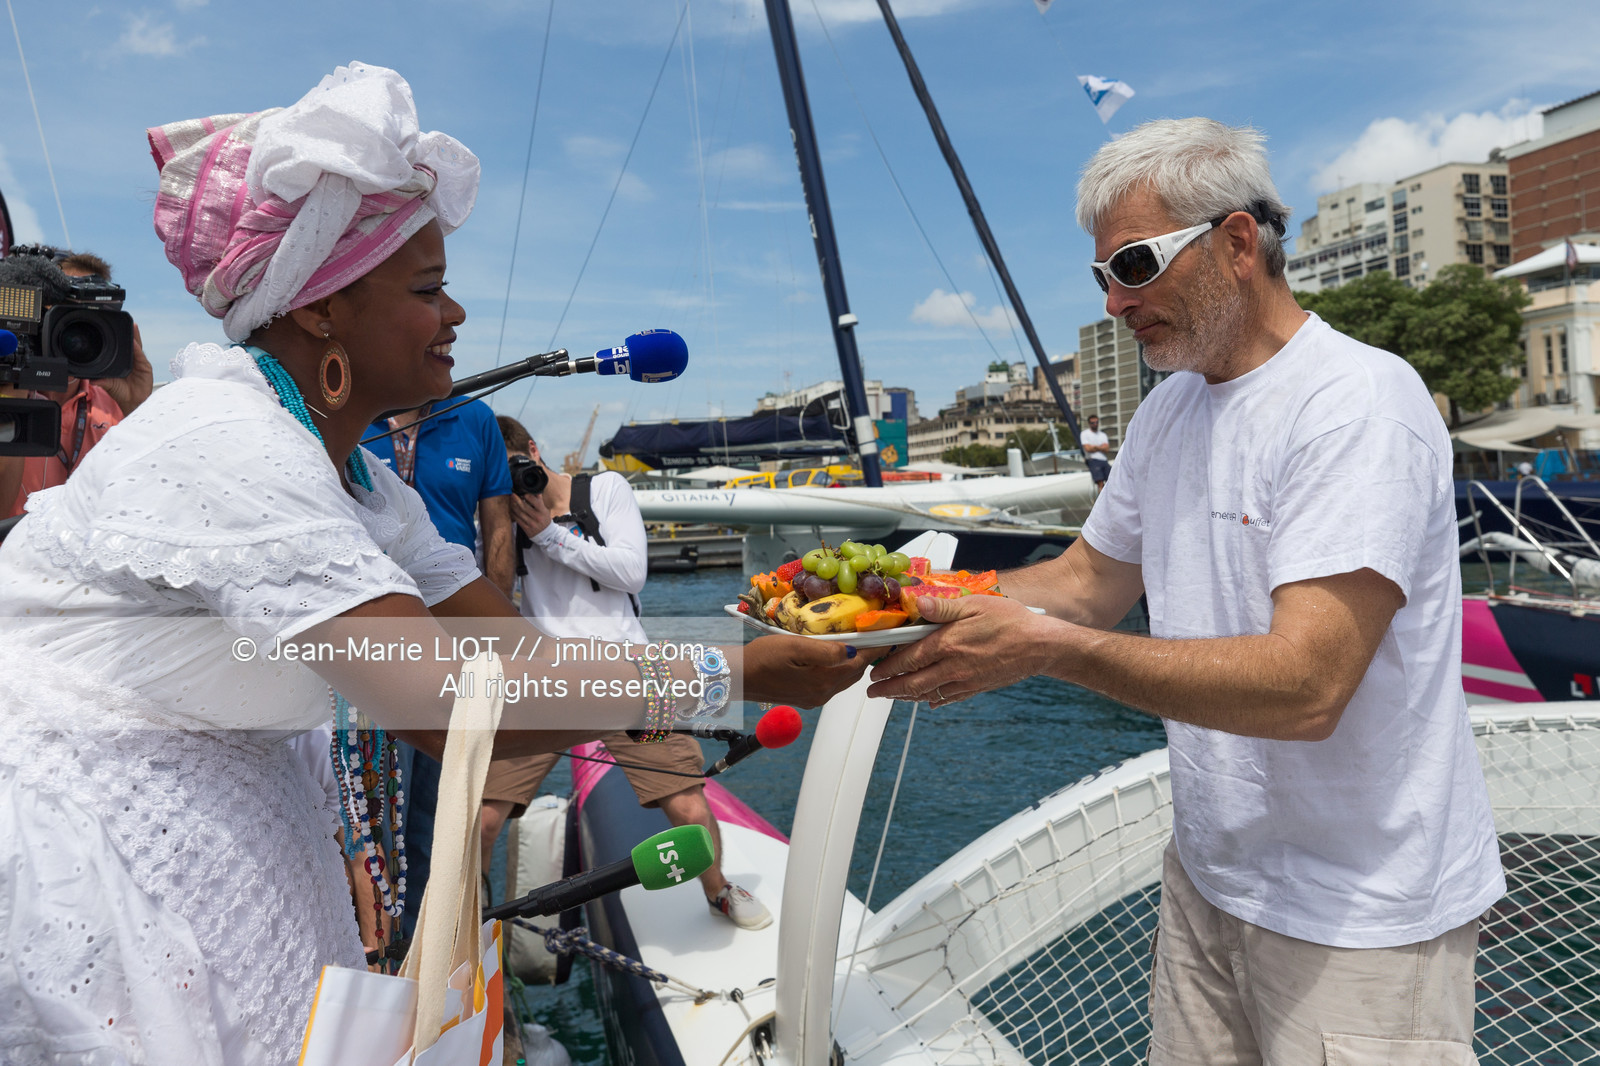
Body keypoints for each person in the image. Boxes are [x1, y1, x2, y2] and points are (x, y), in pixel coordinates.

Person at [0, 62, 863, 1065]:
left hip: (228, 835)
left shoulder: (361, 479)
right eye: (426, 289)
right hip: (107, 864)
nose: (453, 315)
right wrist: (738, 672)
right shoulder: (224, 439)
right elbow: (444, 698)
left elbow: (509, 650)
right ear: (320, 307)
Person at [867, 118, 1503, 1062]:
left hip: (1361, 916)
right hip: (1210, 880)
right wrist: (914, 606)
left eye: (1134, 264)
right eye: (1103, 275)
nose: (1115, 302)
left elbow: (1308, 686)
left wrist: (1046, 651)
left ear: (1237, 242)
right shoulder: (1168, 411)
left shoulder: (1357, 405)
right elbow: (1085, 582)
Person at [485, 415, 772, 929]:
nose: (514, 484)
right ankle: (468, 921)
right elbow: (491, 595)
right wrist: (498, 521)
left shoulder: (604, 489)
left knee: (686, 802)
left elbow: (631, 572)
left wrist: (549, 534)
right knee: (482, 817)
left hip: (632, 670)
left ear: (533, 450)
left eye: (515, 468)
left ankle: (719, 890)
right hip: (545, 678)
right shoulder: (497, 515)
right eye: (497, 475)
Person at [363, 394, 515, 938]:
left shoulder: (475, 419)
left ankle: (431, 946)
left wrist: (497, 648)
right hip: (376, 644)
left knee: (443, 812)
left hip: (456, 639)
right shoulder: (350, 412)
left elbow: (498, 532)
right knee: (377, 815)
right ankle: (379, 949)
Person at [0, 248, 154, 518]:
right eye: (63, 313)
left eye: (88, 317)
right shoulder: (10, 393)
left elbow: (158, 499)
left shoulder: (117, 406)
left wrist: (139, 408)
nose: (76, 330)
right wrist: (14, 383)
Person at [1079, 413, 1112, 494]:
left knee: (1111, 481)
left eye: (1096, 422)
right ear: (1089, 423)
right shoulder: (1084, 434)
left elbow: (1107, 449)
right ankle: (1101, 500)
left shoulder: (1102, 435)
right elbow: (1087, 449)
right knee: (1100, 483)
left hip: (1104, 460)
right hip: (1093, 460)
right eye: (1093, 423)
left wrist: (1094, 447)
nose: (1095, 424)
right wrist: (1101, 447)